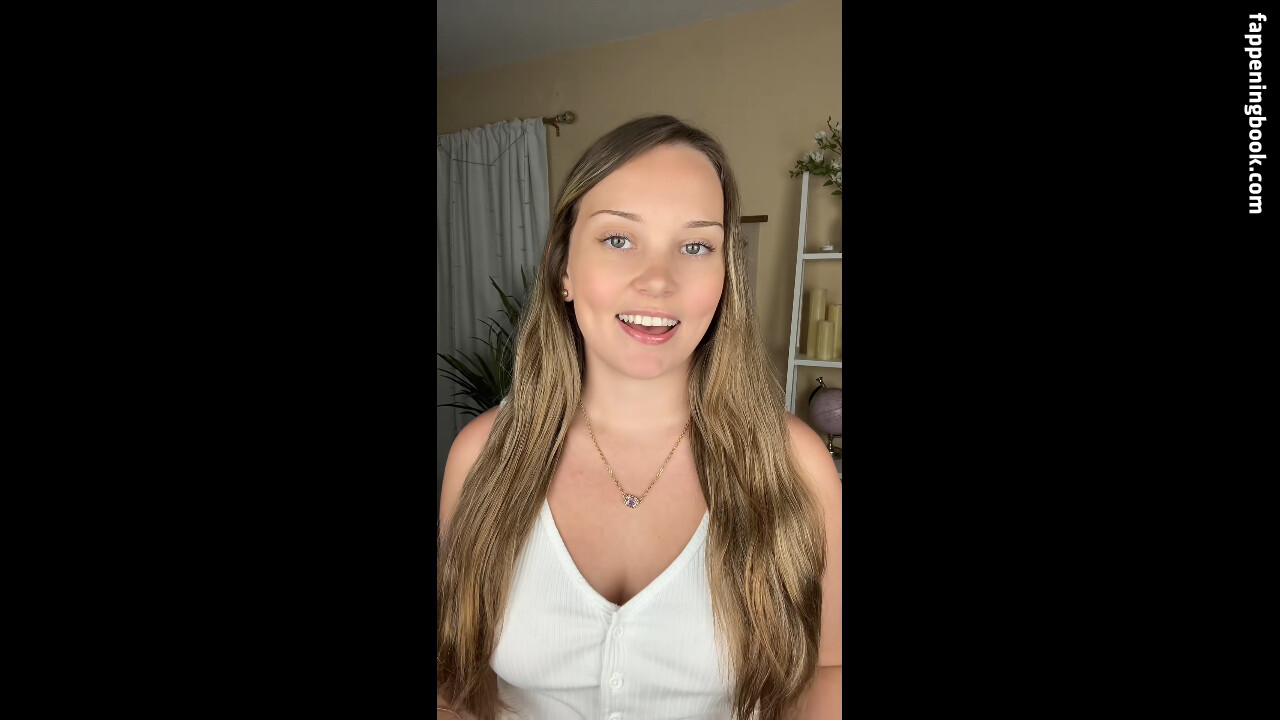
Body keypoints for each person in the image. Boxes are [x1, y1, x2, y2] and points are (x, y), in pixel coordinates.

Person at [437, 115, 842, 719]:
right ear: (564, 269)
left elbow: (828, 671)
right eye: (619, 239)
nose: (657, 280)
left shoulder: (795, 462)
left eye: (696, 246)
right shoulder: (482, 454)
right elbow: (452, 678)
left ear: (725, 278)